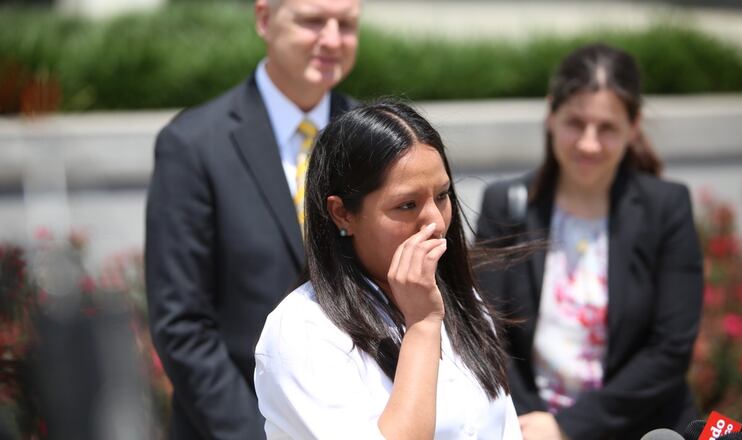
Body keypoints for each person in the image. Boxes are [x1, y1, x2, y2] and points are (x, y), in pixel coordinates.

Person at [144, 0, 360, 437]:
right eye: (313, 21)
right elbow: (182, 323)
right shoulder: (194, 145)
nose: (333, 39)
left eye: (347, 23)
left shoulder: (377, 137)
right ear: (264, 19)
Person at [253, 101, 522, 439]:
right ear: (342, 214)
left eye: (442, 196)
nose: (436, 223)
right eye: (407, 205)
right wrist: (422, 327)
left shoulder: (461, 300)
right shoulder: (303, 329)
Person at [475, 43, 704, 440]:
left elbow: (669, 350)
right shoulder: (505, 203)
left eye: (607, 128)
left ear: (633, 127)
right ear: (551, 114)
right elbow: (486, 331)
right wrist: (534, 424)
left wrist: (567, 428)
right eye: (575, 123)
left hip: (642, 429)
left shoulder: (667, 207)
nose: (588, 143)